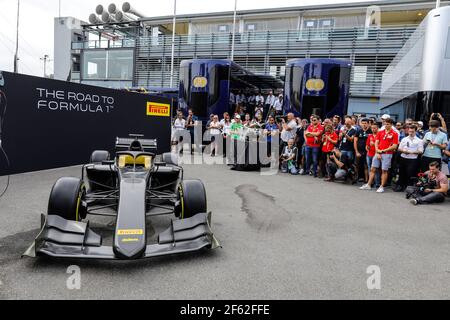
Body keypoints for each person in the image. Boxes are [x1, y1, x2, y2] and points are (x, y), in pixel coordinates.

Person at [360, 118, 399, 193]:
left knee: (384, 170)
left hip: (387, 154)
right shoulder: (380, 132)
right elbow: (376, 142)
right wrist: (377, 151)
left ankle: (381, 186)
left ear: (391, 125)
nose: (386, 125)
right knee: (372, 169)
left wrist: (383, 151)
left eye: (388, 124)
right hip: (378, 153)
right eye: (385, 124)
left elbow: (394, 146)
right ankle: (368, 184)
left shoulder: (394, 133)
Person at [395, 125, 424, 192]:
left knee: (410, 173)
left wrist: (412, 152)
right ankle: (400, 185)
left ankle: (409, 186)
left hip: (413, 159)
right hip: (403, 157)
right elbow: (399, 148)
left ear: (415, 131)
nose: (410, 133)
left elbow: (421, 151)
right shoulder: (404, 139)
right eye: (409, 131)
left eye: (412, 132)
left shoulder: (419, 140)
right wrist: (404, 151)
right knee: (401, 172)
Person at [354, 118, 371, 183]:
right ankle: (356, 178)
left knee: (366, 166)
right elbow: (355, 142)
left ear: (368, 124)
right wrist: (356, 151)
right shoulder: (358, 131)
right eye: (362, 123)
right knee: (357, 165)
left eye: (365, 123)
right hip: (359, 151)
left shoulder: (371, 131)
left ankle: (367, 180)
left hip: (367, 152)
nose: (364, 125)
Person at [366, 123, 381, 188]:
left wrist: (374, 143)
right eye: (372, 128)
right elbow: (367, 145)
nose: (373, 129)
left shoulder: (380, 135)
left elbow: (381, 145)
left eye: (374, 128)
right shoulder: (370, 136)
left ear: (377, 128)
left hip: (376, 154)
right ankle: (371, 182)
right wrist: (367, 148)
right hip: (369, 154)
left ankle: (377, 183)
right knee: (370, 169)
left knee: (376, 169)